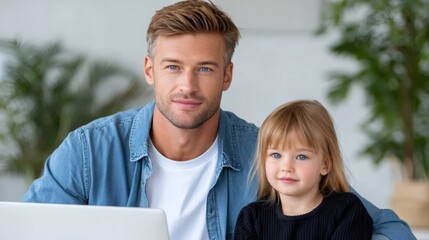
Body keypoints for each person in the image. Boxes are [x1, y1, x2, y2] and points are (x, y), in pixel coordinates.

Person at [21, 1, 415, 240]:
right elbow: (27, 231)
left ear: (227, 75)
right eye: (173, 67)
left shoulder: (267, 153)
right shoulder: (89, 150)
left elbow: (390, 229)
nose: (187, 86)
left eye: (205, 69)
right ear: (150, 70)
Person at [234, 100, 373, 239]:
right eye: (276, 155)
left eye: (301, 157)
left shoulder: (347, 210)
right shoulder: (251, 218)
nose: (286, 167)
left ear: (325, 165)